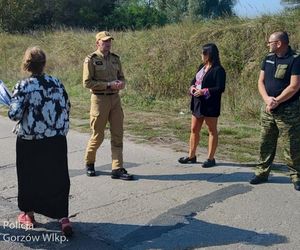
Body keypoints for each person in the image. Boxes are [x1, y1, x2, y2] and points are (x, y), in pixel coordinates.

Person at [8, 46, 73, 236]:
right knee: (58, 178)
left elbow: (15, 114)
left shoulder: (24, 86)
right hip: (56, 139)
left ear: (26, 65)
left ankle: (28, 215)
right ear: (44, 64)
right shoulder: (57, 83)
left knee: (29, 177)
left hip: (31, 139)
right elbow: (67, 106)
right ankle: (63, 218)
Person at [249, 31, 300, 191]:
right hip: (268, 108)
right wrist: (267, 100)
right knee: (265, 142)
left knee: (292, 145)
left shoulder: (296, 59)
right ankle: (262, 173)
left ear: (278, 43)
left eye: (269, 42)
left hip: (288, 109)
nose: (268, 44)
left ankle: (296, 176)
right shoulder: (268, 58)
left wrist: (277, 100)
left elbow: (295, 86)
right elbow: (260, 81)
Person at [83, 31, 133, 180]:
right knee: (98, 135)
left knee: (118, 134)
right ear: (97, 43)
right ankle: (89, 163)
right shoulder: (91, 60)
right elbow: (87, 83)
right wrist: (108, 85)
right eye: (104, 41)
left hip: (115, 100)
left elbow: (121, 77)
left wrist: (121, 83)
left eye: (109, 41)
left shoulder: (115, 59)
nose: (108, 44)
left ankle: (117, 168)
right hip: (99, 100)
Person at [178, 43, 226, 167]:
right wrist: (192, 87)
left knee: (211, 130)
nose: (202, 55)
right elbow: (194, 81)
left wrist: (204, 91)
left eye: (204, 53)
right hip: (198, 102)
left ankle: (210, 158)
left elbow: (220, 88)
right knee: (194, 129)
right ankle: (191, 156)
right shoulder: (202, 66)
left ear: (210, 54)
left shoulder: (219, 70)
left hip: (210, 104)